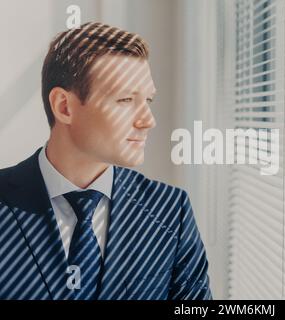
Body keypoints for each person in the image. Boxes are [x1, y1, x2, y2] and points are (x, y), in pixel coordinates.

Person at [0, 22, 212, 300]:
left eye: (148, 100)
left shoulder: (171, 212)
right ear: (64, 106)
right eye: (125, 99)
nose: (148, 120)